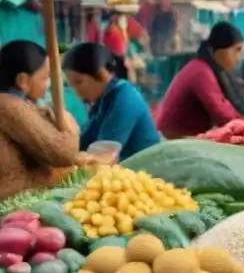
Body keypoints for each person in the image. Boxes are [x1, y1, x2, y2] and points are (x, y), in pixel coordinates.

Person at [0, 41, 82, 200]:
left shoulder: (16, 102)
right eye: (44, 78)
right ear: (22, 80)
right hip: (12, 195)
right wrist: (69, 126)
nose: (48, 84)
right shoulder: (10, 107)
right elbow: (62, 154)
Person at [156, 22, 244, 139]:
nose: (238, 59)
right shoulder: (201, 73)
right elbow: (223, 113)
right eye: (236, 50)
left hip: (186, 137)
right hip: (175, 140)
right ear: (220, 51)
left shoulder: (206, 68)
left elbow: (226, 105)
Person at [63, 42, 160, 160]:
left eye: (79, 82)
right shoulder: (102, 102)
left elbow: (103, 155)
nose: (76, 91)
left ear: (101, 73)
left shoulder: (125, 97)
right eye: (71, 86)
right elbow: (83, 141)